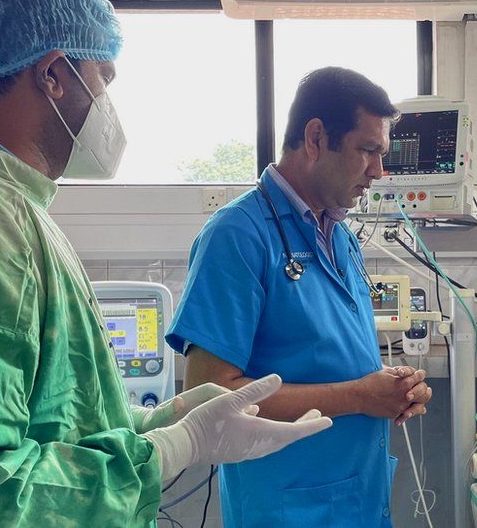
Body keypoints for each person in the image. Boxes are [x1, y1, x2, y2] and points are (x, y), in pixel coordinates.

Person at [0, 0, 330, 525]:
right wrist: (175, 449)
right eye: (103, 79)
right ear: (54, 76)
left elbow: (63, 423)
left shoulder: (3, 208)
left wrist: (171, 419)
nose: (107, 104)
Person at [166, 67, 434, 526]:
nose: (379, 171)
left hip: (357, 496)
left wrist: (392, 388)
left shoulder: (340, 235)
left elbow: (327, 357)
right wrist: (358, 396)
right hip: (288, 505)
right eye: (368, 150)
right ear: (315, 138)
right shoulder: (238, 235)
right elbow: (208, 399)